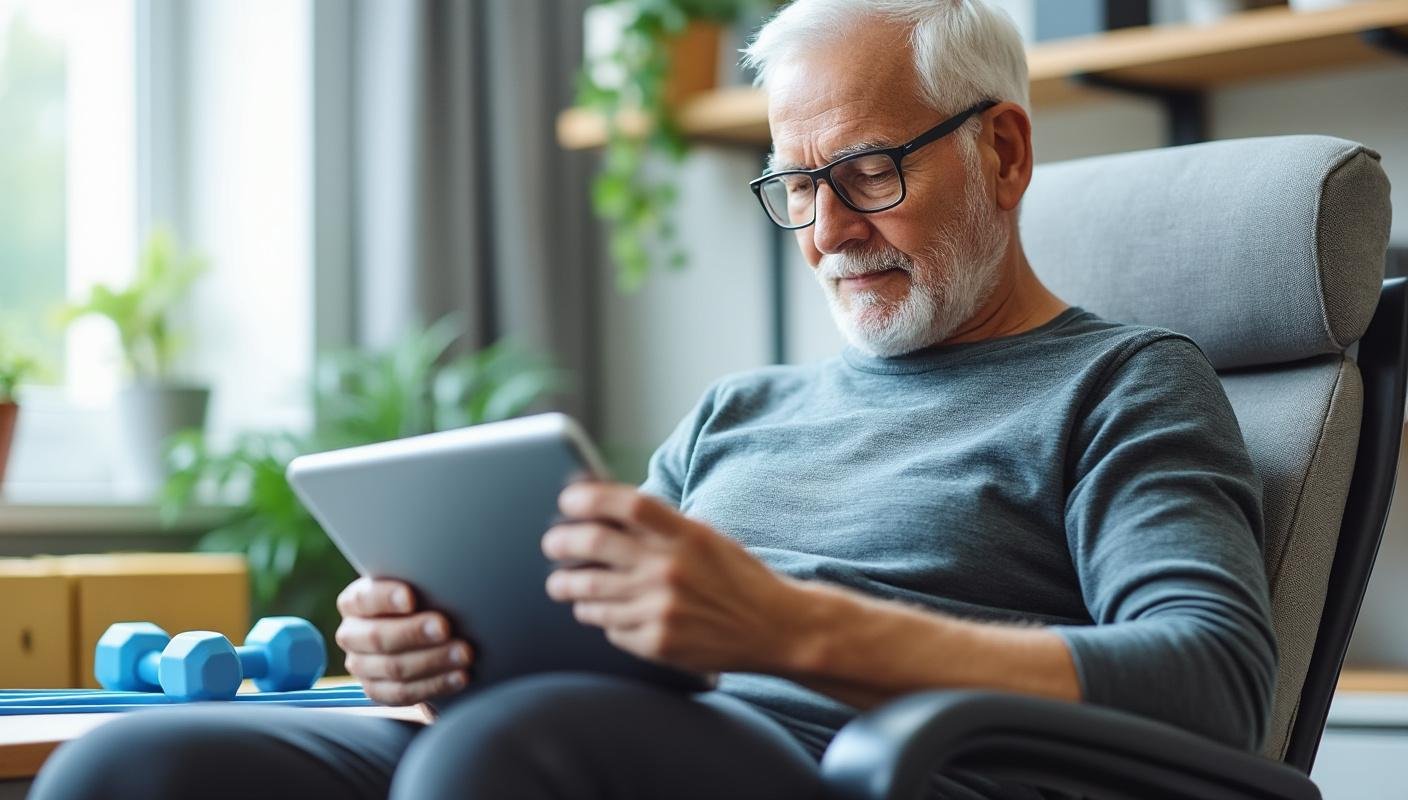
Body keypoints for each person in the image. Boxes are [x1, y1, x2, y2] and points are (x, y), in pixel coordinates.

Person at [30, 1, 1276, 798]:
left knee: (497, 758)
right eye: (797, 184)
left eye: (869, 170)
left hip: (852, 770)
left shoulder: (1124, 382)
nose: (828, 229)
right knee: (138, 764)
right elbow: (590, 638)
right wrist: (439, 646)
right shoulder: (737, 409)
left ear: (1001, 150)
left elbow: (1210, 683)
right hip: (580, 743)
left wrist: (788, 629)